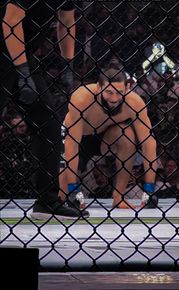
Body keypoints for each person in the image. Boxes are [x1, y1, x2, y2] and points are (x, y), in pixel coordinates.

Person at [0, 1, 89, 220]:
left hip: (23, 56)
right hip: (7, 53)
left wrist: (68, 66)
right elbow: (10, 21)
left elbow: (67, 21)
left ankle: (47, 202)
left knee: (48, 124)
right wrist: (23, 73)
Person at [60, 62, 158, 209]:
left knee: (128, 135)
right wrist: (73, 189)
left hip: (103, 137)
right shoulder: (81, 98)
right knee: (61, 198)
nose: (114, 98)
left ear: (127, 88)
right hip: (74, 138)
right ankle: (70, 193)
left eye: (119, 92)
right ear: (99, 88)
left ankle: (118, 197)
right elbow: (71, 144)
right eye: (109, 92)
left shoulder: (134, 103)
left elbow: (148, 142)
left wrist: (149, 189)